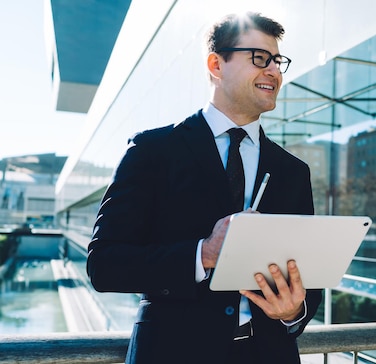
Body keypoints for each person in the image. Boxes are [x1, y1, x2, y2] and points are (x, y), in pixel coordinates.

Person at [87, 12, 322, 364]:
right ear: (216, 64)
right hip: (173, 354)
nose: (274, 70)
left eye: (278, 61)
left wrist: (293, 310)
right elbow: (104, 264)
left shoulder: (293, 171)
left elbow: (307, 278)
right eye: (260, 58)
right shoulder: (152, 151)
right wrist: (203, 253)